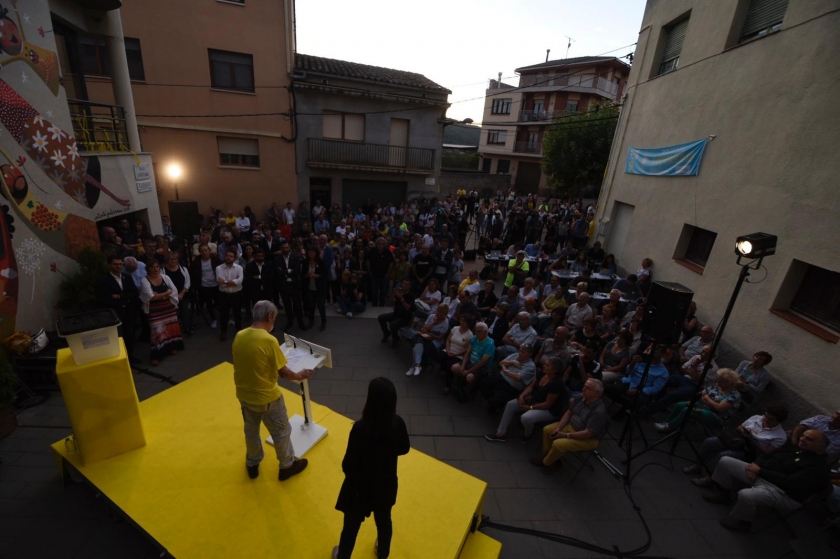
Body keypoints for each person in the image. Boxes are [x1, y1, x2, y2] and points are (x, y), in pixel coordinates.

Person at [233, 301, 312, 481]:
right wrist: (300, 375)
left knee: (251, 431)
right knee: (281, 432)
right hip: (267, 397)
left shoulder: (239, 335)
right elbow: (284, 373)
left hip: (244, 396)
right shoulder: (269, 340)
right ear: (270, 317)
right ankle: (287, 465)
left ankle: (252, 463)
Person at [333, 377, 410, 559]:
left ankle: (343, 556)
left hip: (359, 489)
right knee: (384, 521)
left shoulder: (360, 429)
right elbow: (404, 448)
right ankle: (383, 553)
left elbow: (348, 464)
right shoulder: (397, 423)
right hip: (385, 485)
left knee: (350, 527)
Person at [702, 429, 830, 533]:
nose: (803, 439)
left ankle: (742, 523)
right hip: (762, 475)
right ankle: (724, 494)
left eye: (809, 439)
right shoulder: (794, 449)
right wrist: (755, 467)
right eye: (803, 436)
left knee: (746, 495)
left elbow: (790, 481)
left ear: (821, 447)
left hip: (783, 492)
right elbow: (767, 455)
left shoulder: (818, 467)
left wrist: (760, 471)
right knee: (726, 461)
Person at [685, 405, 789, 488]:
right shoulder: (757, 418)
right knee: (710, 442)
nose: (765, 420)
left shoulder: (780, 436)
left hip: (749, 451)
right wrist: (742, 430)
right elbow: (740, 426)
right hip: (735, 440)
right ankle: (698, 465)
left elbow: (766, 452)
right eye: (765, 416)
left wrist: (751, 439)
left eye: (770, 420)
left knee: (724, 455)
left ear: (778, 422)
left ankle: (710, 478)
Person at [485, 357, 570, 443]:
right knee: (511, 404)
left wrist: (530, 407)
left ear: (554, 370)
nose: (544, 366)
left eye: (547, 365)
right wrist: (522, 396)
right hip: (534, 400)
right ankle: (500, 433)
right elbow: (531, 387)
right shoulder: (541, 373)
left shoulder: (557, 384)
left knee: (526, 418)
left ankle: (528, 433)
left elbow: (547, 404)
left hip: (548, 410)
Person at [533, 379, 608, 474]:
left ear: (597, 394)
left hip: (587, 439)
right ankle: (550, 458)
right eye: (584, 386)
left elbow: (587, 433)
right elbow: (569, 412)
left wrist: (564, 435)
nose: (583, 389)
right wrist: (558, 428)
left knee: (558, 444)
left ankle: (546, 462)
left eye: (588, 388)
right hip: (571, 427)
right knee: (547, 430)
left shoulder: (598, 412)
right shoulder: (580, 397)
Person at [655, 369, 742, 432]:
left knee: (687, 410)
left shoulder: (734, 395)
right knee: (680, 405)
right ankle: (668, 422)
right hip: (703, 406)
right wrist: (707, 401)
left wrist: (707, 398)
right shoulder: (717, 386)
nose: (718, 381)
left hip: (716, 416)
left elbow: (719, 408)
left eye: (721, 380)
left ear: (729, 383)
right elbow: (700, 394)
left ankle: (670, 427)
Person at [139, 260, 184, 366]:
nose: (155, 269)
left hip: (168, 308)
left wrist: (159, 295)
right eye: (153, 267)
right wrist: (166, 293)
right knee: (156, 331)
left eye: (157, 267)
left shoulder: (165, 277)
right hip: (155, 310)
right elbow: (150, 297)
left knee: (170, 328)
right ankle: (157, 355)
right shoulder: (144, 280)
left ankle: (171, 347)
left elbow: (174, 290)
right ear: (148, 269)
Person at [98, 254, 140, 364]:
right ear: (109, 265)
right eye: (115, 264)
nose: (118, 266)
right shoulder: (104, 280)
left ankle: (130, 356)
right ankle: (121, 359)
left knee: (130, 335)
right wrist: (124, 297)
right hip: (115, 313)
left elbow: (134, 293)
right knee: (118, 336)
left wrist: (119, 296)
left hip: (129, 311)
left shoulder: (127, 277)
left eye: (120, 264)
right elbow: (105, 298)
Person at [479, 344, 537, 414]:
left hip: (511, 386)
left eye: (523, 352)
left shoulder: (531, 366)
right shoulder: (515, 355)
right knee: (483, 383)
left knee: (494, 401)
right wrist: (512, 362)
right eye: (520, 351)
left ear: (530, 354)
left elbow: (518, 377)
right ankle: (491, 399)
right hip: (501, 377)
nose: (520, 353)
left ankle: (494, 407)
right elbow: (501, 363)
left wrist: (505, 370)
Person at [405, 304, 450, 377]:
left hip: (436, 341)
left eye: (440, 312)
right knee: (418, 341)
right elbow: (424, 328)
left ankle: (413, 367)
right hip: (426, 336)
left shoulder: (445, 322)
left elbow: (440, 337)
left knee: (420, 346)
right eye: (438, 310)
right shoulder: (432, 316)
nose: (438, 313)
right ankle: (417, 366)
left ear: (444, 314)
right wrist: (433, 323)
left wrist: (429, 335)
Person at [276, 242, 306, 331]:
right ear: (281, 249)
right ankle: (290, 322)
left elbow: (297, 271)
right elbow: (278, 272)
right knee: (287, 305)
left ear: (289, 248)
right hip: (284, 285)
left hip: (294, 285)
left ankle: (301, 323)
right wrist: (290, 271)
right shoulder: (277, 259)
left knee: (298, 305)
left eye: (286, 247)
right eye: (283, 248)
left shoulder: (295, 258)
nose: (285, 249)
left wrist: (285, 271)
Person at [216, 249, 244, 342]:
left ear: (234, 258)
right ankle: (223, 332)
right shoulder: (219, 268)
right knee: (224, 314)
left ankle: (239, 331)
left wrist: (225, 281)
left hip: (237, 294)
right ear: (224, 256)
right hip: (224, 295)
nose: (228, 257)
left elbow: (240, 281)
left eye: (231, 256)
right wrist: (233, 282)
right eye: (227, 255)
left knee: (238, 313)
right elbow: (221, 284)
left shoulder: (239, 268)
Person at [163, 251, 192, 336]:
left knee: (185, 312)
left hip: (183, 294)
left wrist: (182, 293)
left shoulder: (183, 269)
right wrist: (173, 295)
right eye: (171, 259)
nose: (173, 261)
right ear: (167, 260)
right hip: (170, 296)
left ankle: (187, 329)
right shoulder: (163, 271)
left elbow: (187, 282)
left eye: (175, 259)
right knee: (172, 314)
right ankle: (174, 332)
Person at [378, 283, 415, 348]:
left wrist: (401, 298)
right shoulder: (399, 293)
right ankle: (386, 333)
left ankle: (396, 338)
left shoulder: (411, 296)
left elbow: (407, 307)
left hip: (405, 317)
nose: (403, 285)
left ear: (409, 286)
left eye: (405, 284)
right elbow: (390, 302)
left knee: (393, 324)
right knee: (381, 317)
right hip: (396, 314)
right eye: (403, 284)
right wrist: (394, 294)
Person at [303, 246, 328, 331]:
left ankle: (323, 321)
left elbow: (325, 275)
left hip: (319, 288)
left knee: (321, 305)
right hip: (310, 288)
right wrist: (307, 275)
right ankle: (311, 321)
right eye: (309, 251)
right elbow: (302, 273)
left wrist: (316, 276)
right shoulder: (305, 262)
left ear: (316, 253)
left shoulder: (321, 262)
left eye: (313, 251)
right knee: (311, 306)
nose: (311, 253)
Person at [368, 237, 394, 307]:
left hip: (384, 275)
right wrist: (370, 271)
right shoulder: (372, 251)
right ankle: (374, 304)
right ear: (376, 244)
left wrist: (388, 273)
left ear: (384, 245)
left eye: (382, 244)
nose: (380, 245)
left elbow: (391, 263)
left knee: (383, 291)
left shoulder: (387, 252)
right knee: (374, 291)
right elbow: (368, 261)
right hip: (374, 275)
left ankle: (382, 304)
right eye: (379, 244)